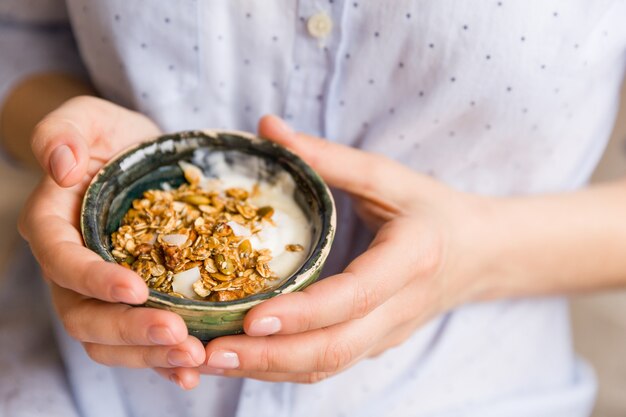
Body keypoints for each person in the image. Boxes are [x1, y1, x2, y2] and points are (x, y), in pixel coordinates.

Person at [1, 1, 626, 416]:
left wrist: (475, 254)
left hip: (467, 386)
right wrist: (73, 150)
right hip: (73, 380)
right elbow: (21, 35)